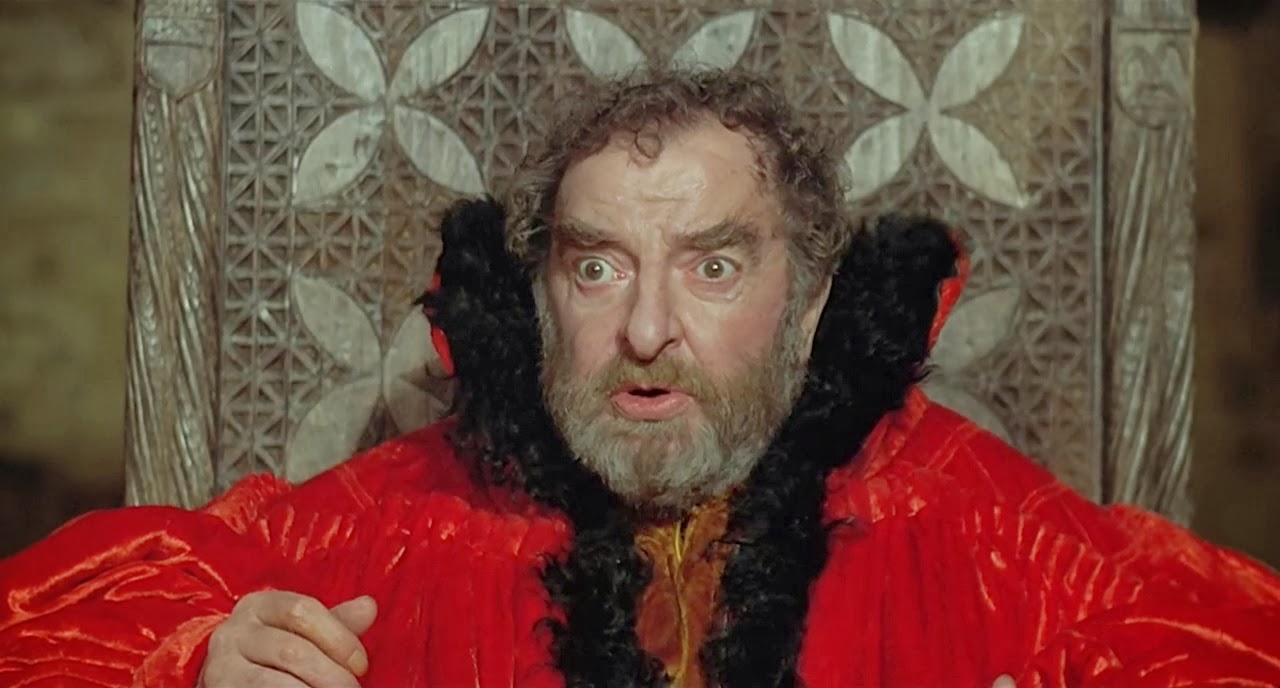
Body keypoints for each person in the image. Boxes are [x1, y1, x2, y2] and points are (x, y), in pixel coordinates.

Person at [2, 68, 1279, 688]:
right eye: (598, 266)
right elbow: (46, 634)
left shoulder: (971, 519)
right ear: (542, 295)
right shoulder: (402, 514)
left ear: (809, 305)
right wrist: (189, 664)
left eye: (713, 266)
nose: (648, 328)